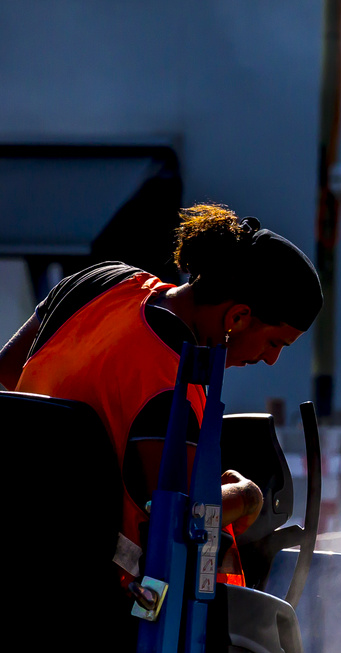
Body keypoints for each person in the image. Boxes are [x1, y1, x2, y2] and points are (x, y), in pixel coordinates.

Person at [1, 204, 322, 586]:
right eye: (274, 342)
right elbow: (183, 519)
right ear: (237, 317)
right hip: (103, 609)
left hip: (14, 548)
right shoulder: (172, 387)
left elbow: (10, 375)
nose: (270, 359)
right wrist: (246, 495)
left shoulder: (103, 281)